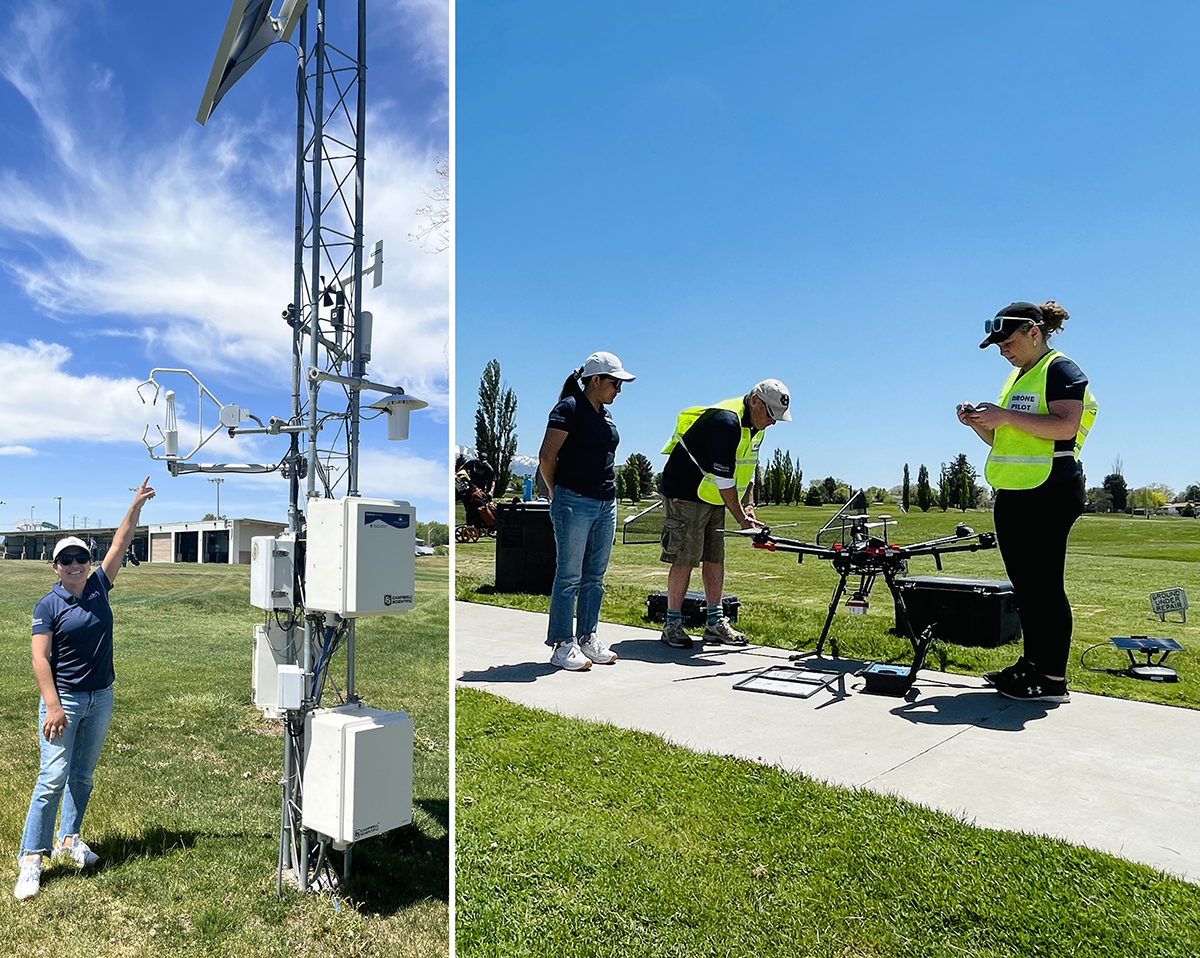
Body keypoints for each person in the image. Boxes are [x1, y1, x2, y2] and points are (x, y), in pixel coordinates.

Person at [14, 478, 156, 900]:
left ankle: (69, 838)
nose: (75, 564)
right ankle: (31, 858)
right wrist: (53, 706)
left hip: (101, 697)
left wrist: (135, 508)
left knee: (82, 774)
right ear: (55, 566)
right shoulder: (48, 605)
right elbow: (41, 659)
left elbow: (120, 541)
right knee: (52, 776)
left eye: (81, 557)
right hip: (66, 701)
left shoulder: (98, 588)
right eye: (66, 559)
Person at [958, 301, 1097, 702]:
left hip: (1050, 491)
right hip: (1017, 492)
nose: (1002, 349)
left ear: (1034, 332)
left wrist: (1004, 416)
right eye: (997, 344)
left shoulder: (1061, 369)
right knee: (1027, 588)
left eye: (1008, 340)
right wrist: (979, 425)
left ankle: (1052, 681)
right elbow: (1005, 437)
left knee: (1045, 588)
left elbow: (1066, 425)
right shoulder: (1019, 377)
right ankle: (1031, 664)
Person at [658, 380, 791, 648]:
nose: (773, 422)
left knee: (714, 556)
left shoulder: (756, 427)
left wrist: (749, 504)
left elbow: (748, 467)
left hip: (712, 494)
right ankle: (672, 624)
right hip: (686, 491)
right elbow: (724, 479)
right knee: (686, 556)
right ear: (755, 400)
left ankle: (715, 623)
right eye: (770, 414)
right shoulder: (726, 422)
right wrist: (742, 520)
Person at [538, 351, 635, 671]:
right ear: (595, 380)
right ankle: (561, 643)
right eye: (614, 383)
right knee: (569, 576)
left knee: (595, 577)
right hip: (573, 500)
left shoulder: (606, 415)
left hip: (606, 502)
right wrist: (556, 493)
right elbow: (547, 457)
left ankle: (587, 637)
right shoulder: (569, 409)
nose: (618, 390)